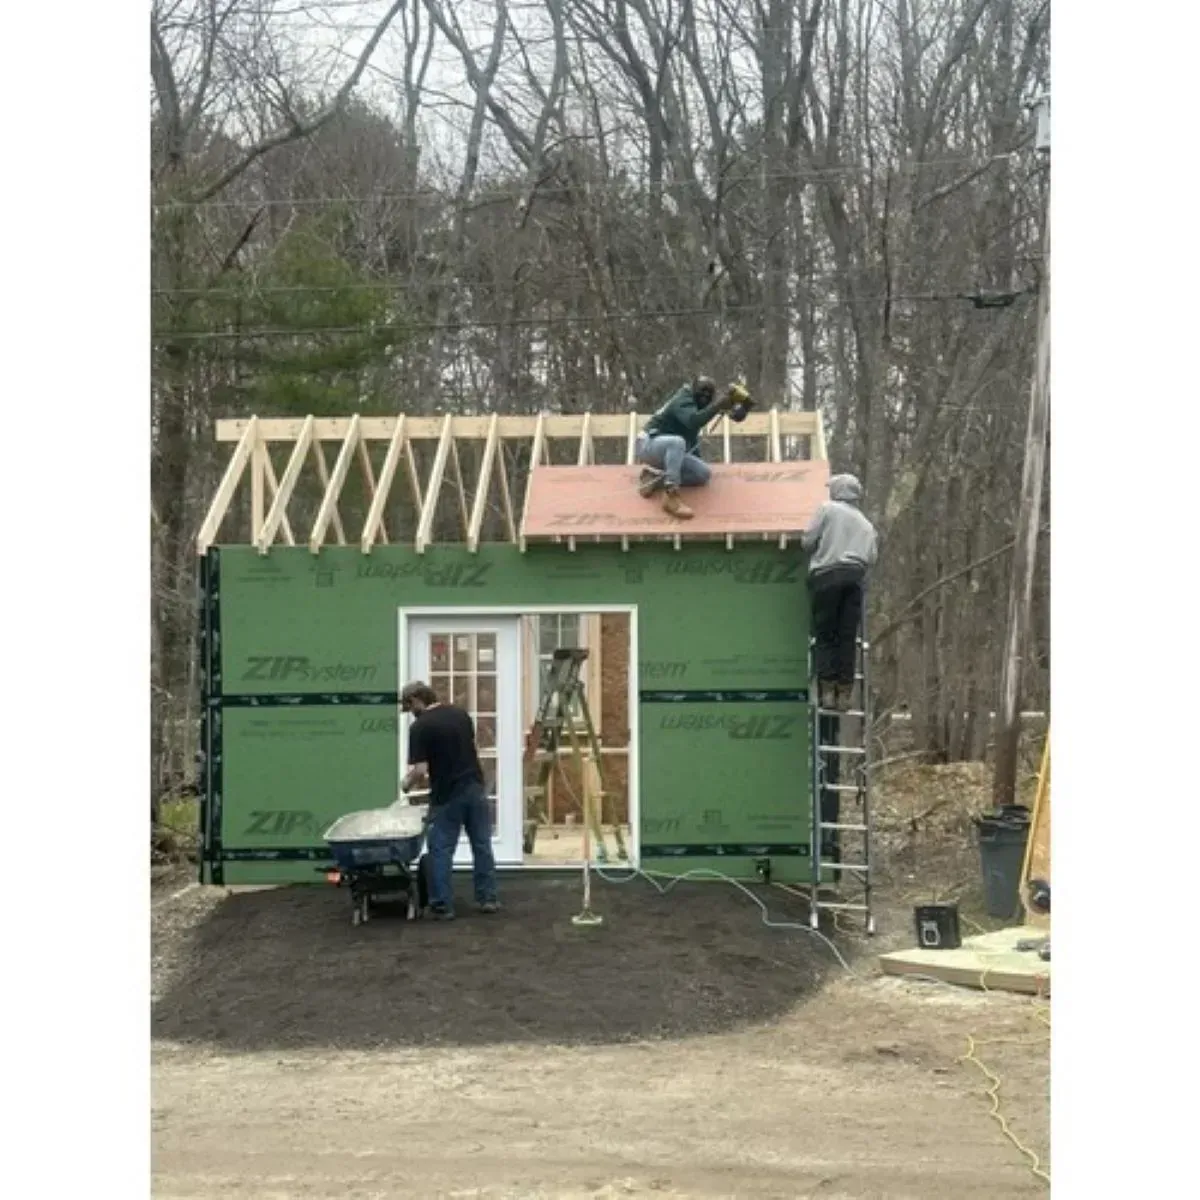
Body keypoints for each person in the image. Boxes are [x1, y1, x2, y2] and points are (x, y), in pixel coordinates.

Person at [399, 680, 499, 919]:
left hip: (447, 794)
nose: (410, 713)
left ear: (416, 700)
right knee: (482, 845)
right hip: (475, 787)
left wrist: (406, 784)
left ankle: (442, 904)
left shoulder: (420, 727)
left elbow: (421, 769)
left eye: (409, 707)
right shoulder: (460, 715)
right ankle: (488, 899)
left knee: (441, 849)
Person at [801, 474, 879, 712]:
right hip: (854, 579)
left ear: (837, 491)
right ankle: (844, 694)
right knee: (846, 638)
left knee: (826, 635)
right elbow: (872, 557)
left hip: (827, 576)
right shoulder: (866, 524)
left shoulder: (827, 510)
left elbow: (807, 541)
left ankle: (826, 692)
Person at [636, 376, 736, 519]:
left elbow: (692, 439)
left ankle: (653, 479)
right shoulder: (682, 399)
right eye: (702, 393)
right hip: (647, 444)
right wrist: (718, 406)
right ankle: (670, 494)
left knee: (703, 474)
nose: (704, 398)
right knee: (677, 442)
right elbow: (693, 421)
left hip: (667, 449)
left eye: (708, 396)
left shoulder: (694, 406)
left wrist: (696, 464)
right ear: (694, 389)